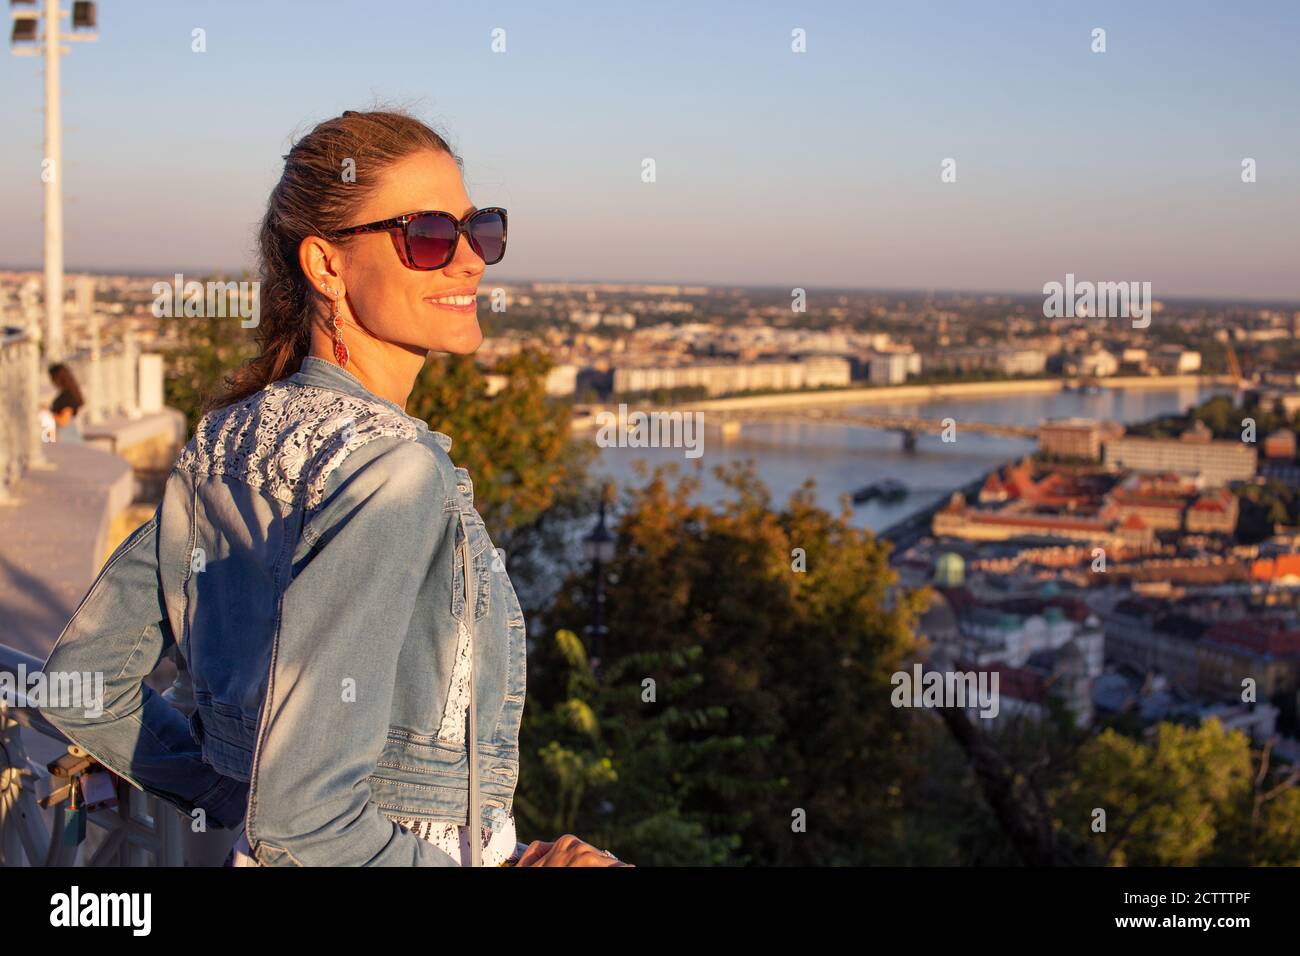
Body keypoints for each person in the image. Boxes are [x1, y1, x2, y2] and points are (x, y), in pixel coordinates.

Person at [40, 108, 626, 867]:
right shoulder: (395, 472)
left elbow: (80, 686)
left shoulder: (227, 441)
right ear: (325, 265)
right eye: (428, 236)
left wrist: (233, 794)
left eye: (479, 230)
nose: (471, 261)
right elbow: (306, 824)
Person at [47, 363, 84, 443]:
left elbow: (64, 421)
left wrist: (47, 412)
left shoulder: (67, 397)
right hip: (67, 437)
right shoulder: (69, 394)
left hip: (66, 439)